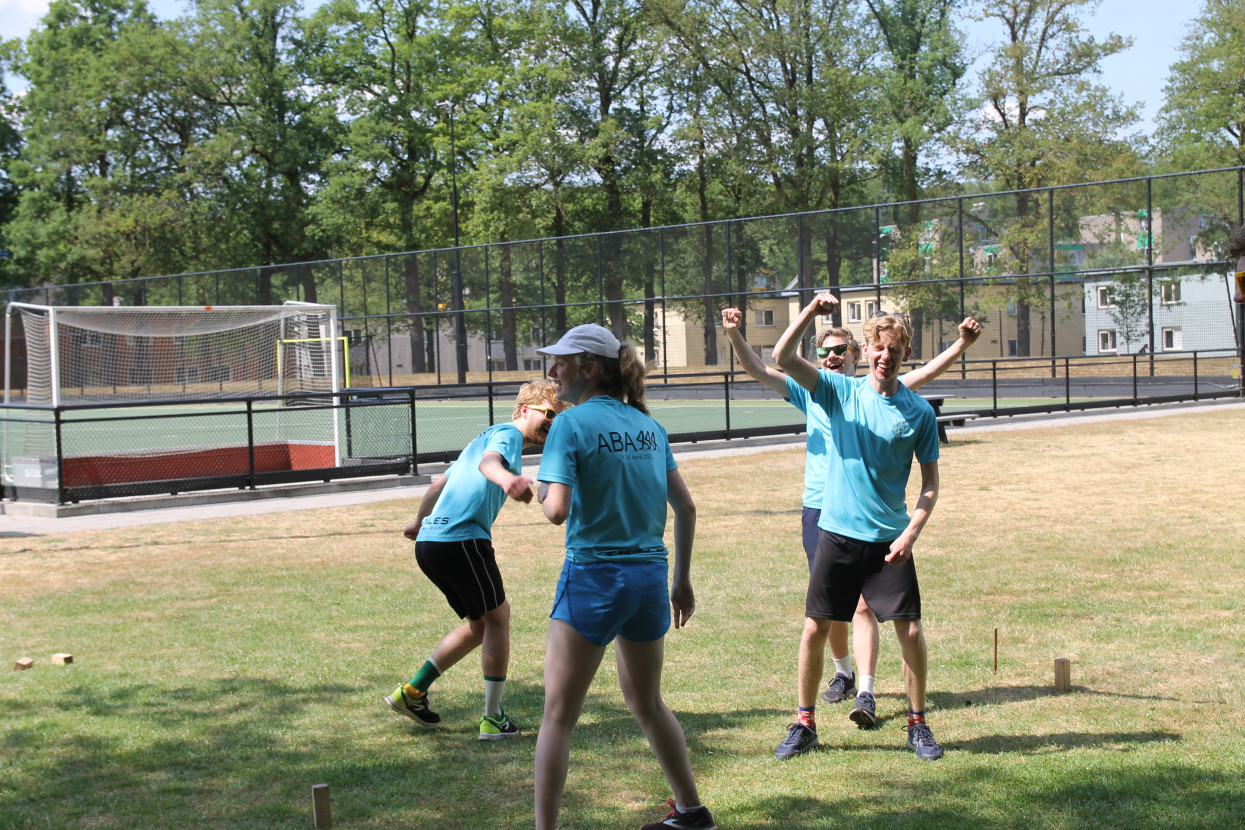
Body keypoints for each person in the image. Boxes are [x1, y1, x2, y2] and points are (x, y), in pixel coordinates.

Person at [721, 307, 980, 730]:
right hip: (827, 514)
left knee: (871, 612)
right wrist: (736, 335)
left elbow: (928, 372)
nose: (834, 356)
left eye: (842, 349)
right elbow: (769, 365)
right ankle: (837, 681)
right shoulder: (826, 391)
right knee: (825, 616)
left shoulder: (896, 396)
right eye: (827, 351)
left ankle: (869, 691)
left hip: (880, 523)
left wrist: (962, 345)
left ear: (858, 352)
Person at [532, 324, 716, 830]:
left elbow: (556, 512)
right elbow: (686, 507)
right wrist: (682, 579)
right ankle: (691, 812)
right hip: (649, 579)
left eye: (562, 363)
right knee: (648, 703)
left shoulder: (571, 425)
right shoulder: (648, 427)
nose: (552, 372)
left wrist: (536, 485)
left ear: (590, 368)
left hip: (594, 577)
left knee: (558, 717)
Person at [772, 293, 945, 761]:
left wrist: (911, 532)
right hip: (837, 535)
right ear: (865, 351)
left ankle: (917, 723)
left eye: (895, 349)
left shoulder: (919, 412)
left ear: (905, 354)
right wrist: (809, 311)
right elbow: (782, 358)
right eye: (878, 347)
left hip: (890, 542)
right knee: (815, 629)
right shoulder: (838, 391)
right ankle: (804, 722)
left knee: (909, 631)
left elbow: (930, 485)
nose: (886, 355)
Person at [383, 379, 560, 741]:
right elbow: (489, 464)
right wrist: (508, 480)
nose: (553, 423)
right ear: (525, 409)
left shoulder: (482, 436)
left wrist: (419, 522)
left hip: (431, 542)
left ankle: (412, 694)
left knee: (481, 625)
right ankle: (493, 719)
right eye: (549, 413)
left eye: (558, 418)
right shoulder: (506, 436)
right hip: (462, 539)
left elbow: (437, 486)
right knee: (499, 618)